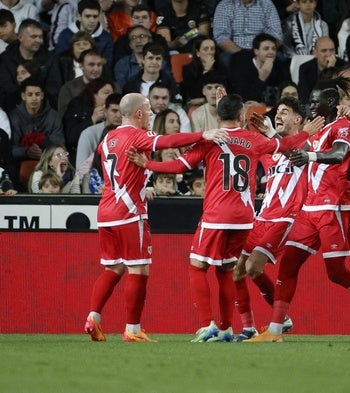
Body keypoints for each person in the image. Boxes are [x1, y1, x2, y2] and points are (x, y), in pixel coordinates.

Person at [126, 92, 315, 343]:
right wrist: (306, 133)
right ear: (240, 116)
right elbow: (284, 145)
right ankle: (227, 328)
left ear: (218, 115)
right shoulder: (253, 139)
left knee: (197, 266)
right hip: (245, 217)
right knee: (227, 270)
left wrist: (147, 164)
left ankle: (207, 326)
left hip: (217, 214)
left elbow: (180, 166)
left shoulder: (210, 140)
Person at [246, 78, 350, 343]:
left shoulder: (344, 125)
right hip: (310, 207)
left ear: (330, 103)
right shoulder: (319, 128)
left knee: (336, 272)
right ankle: (275, 331)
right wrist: (274, 136)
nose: (310, 106)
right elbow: (298, 153)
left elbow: (340, 154)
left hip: (334, 205)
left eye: (314, 102)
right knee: (288, 264)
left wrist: (310, 156)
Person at [83, 92, 228, 343]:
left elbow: (112, 162)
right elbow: (168, 142)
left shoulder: (107, 139)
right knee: (138, 268)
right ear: (138, 113)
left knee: (114, 267)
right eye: (149, 111)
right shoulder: (138, 135)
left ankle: (93, 317)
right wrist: (202, 134)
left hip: (106, 211)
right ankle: (133, 329)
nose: (151, 115)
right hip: (129, 211)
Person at [232, 96, 323, 341]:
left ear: (298, 119)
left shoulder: (307, 146)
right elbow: (242, 142)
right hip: (262, 218)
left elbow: (296, 152)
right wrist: (227, 114)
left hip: (286, 219)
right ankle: (249, 328)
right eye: (277, 112)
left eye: (284, 112)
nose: (278, 116)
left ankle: (278, 321)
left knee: (253, 266)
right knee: (236, 271)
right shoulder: (271, 148)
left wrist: (276, 134)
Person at [0, 18, 62, 112]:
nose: (38, 40)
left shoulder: (50, 59)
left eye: (40, 37)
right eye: (33, 37)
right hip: (12, 110)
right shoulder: (5, 59)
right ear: (20, 37)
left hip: (44, 112)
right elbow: (5, 91)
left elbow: (54, 91)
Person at [9, 78, 65, 167]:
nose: (34, 98)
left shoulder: (54, 116)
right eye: (30, 95)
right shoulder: (14, 117)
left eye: (37, 94)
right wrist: (26, 152)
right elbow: (10, 149)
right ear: (23, 96)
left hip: (49, 163)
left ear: (42, 95)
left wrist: (43, 153)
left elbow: (59, 146)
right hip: (20, 164)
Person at [212, 0, 283, 65]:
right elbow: (221, 37)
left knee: (280, 58)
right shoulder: (224, 5)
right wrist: (243, 55)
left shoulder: (266, 4)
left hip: (262, 52)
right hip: (235, 52)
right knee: (225, 59)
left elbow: (276, 35)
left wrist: (261, 53)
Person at [63, 78, 115, 166]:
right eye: (106, 93)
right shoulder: (77, 107)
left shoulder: (115, 112)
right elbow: (71, 138)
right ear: (94, 94)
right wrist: (92, 119)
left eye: (112, 93)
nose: (110, 96)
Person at [229, 33, 291, 106]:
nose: (271, 52)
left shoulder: (281, 66)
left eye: (273, 49)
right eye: (266, 48)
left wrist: (263, 105)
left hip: (273, 111)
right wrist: (261, 79)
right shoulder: (242, 67)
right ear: (256, 51)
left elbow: (287, 95)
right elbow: (244, 99)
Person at [76, 93, 123, 178]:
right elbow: (80, 171)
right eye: (114, 111)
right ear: (105, 111)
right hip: (93, 184)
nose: (119, 115)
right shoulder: (88, 134)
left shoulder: (131, 134)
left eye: (122, 111)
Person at [55, 0, 114, 65]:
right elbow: (60, 61)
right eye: (87, 16)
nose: (92, 20)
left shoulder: (107, 38)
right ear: (79, 16)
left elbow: (108, 65)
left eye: (95, 16)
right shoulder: (66, 35)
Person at [181, 36, 229, 107]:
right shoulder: (188, 70)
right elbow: (194, 95)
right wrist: (206, 71)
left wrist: (204, 100)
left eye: (212, 49)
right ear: (197, 52)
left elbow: (228, 92)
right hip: (197, 107)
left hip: (221, 104)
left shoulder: (222, 68)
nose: (210, 52)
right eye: (206, 49)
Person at [297, 36, 346, 105]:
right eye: (324, 51)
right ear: (315, 53)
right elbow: (304, 98)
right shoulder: (305, 68)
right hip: (313, 108)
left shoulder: (343, 66)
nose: (328, 54)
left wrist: (330, 70)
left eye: (331, 50)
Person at [58, 49, 106, 116]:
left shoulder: (111, 87)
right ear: (81, 65)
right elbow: (64, 116)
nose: (96, 69)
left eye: (99, 65)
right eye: (91, 65)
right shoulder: (68, 89)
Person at [113, 25, 154, 89]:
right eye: (133, 38)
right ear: (130, 44)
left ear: (150, 40)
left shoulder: (159, 61)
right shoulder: (122, 64)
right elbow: (122, 88)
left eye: (142, 36)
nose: (138, 41)